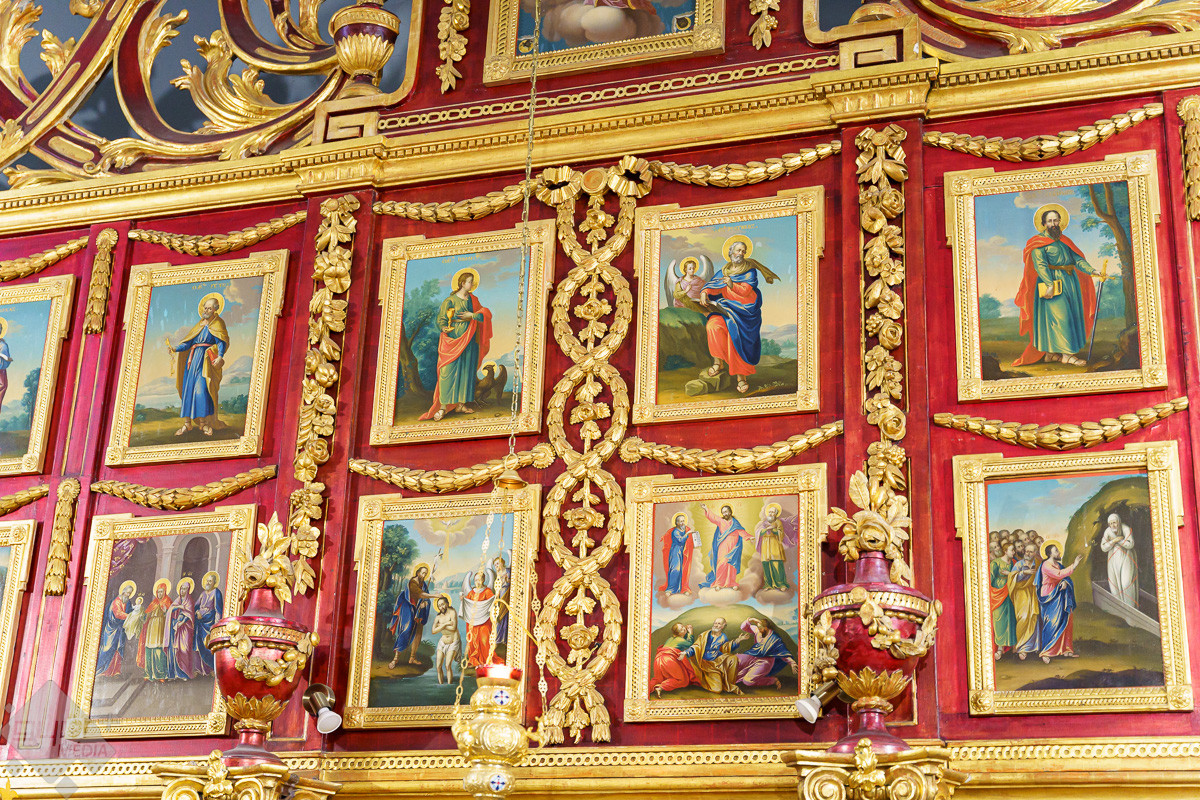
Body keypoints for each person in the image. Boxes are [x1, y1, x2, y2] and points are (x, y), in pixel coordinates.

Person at [1012, 206, 1105, 368]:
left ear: (1060, 222)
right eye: (1050, 221)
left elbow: (1077, 259)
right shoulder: (1038, 243)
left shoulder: (1064, 241)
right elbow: (1040, 266)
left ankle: (1050, 354)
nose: (1053, 224)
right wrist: (1049, 284)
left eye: (1056, 220)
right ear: (1044, 224)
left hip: (1070, 282)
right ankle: (1067, 356)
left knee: (1068, 316)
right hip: (1052, 283)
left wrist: (1092, 270)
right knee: (1061, 318)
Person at [700, 236, 779, 394]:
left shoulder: (749, 271)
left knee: (733, 333)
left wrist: (731, 284)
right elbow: (713, 285)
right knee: (712, 326)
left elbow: (745, 291)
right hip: (726, 309)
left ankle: (741, 377)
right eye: (738, 250)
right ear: (730, 252)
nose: (741, 253)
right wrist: (704, 292)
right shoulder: (724, 270)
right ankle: (718, 363)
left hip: (745, 313)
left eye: (743, 251)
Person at [419, 268, 493, 423]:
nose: (472, 285)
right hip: (452, 339)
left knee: (466, 372)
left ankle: (460, 404)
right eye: (470, 282)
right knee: (448, 372)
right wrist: (444, 327)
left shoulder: (473, 300)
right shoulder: (450, 300)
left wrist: (472, 315)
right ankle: (442, 407)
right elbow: (441, 319)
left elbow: (484, 314)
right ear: (462, 283)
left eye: (472, 282)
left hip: (469, 340)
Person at [168, 293, 229, 436]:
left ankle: (203, 424)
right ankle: (187, 424)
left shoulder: (218, 324)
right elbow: (188, 343)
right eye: (205, 308)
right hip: (192, 362)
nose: (206, 310)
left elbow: (221, 342)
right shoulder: (199, 325)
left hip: (205, 362)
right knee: (188, 390)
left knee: (201, 391)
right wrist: (175, 348)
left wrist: (220, 356)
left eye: (209, 308)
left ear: (215, 310)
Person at [1036, 542, 1084, 663]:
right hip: (1050, 595)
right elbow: (1058, 575)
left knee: (1066, 619)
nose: (1059, 552)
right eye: (1056, 551)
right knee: (1051, 623)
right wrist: (1074, 565)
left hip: (1060, 595)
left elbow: (1064, 577)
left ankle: (1065, 649)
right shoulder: (1046, 565)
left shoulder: (1058, 565)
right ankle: (1046, 652)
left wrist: (1065, 582)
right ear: (1050, 554)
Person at [388, 564, 437, 667]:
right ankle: (395, 658)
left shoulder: (424, 584)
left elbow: (425, 599)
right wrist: (435, 596)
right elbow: (421, 594)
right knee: (405, 630)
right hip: (408, 609)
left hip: (418, 612)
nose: (424, 575)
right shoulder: (412, 583)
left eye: (426, 574)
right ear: (418, 572)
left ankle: (412, 658)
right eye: (422, 573)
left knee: (418, 632)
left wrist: (425, 603)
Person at [684, 618, 749, 694]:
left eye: (719, 624)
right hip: (707, 665)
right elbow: (696, 647)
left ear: (723, 626)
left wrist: (738, 640)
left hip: (718, 662)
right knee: (717, 689)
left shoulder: (723, 637)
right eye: (715, 623)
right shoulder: (705, 635)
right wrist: (685, 652)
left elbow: (725, 648)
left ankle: (729, 685)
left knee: (733, 658)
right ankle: (708, 680)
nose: (716, 625)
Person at [734, 618, 797, 689]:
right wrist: (752, 619)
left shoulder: (774, 638)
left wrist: (792, 663)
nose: (759, 629)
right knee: (735, 660)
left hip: (765, 662)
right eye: (758, 627)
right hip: (752, 657)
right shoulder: (758, 630)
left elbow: (782, 652)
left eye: (760, 628)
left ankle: (773, 680)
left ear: (766, 628)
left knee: (747, 681)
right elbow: (743, 627)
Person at [699, 504, 749, 590]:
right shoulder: (721, 521)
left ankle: (731, 583)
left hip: (733, 547)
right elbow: (713, 517)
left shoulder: (735, 522)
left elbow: (741, 531)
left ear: (730, 512)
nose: (724, 514)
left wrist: (748, 537)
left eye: (726, 512)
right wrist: (706, 508)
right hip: (723, 546)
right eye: (723, 512)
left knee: (731, 564)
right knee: (722, 563)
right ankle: (719, 583)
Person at [96, 581, 137, 677]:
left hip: (119, 630)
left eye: (130, 593)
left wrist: (134, 611)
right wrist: (130, 616)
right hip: (111, 630)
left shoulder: (127, 602)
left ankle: (114, 671)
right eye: (127, 592)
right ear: (123, 591)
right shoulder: (117, 601)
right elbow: (117, 614)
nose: (128, 595)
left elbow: (129, 611)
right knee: (107, 648)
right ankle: (101, 669)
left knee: (118, 649)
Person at [1007, 544, 1041, 660]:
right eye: (1026, 551)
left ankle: (1030, 647)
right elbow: (1011, 578)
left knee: (1033, 617)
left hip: (1032, 593)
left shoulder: (1037, 564)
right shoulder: (1019, 564)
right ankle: (1020, 646)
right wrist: (1024, 573)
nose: (1027, 553)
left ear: (1035, 553)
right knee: (1023, 617)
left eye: (1030, 552)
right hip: (1021, 593)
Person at [137, 580, 173, 681]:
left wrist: (166, 612)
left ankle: (161, 674)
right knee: (149, 649)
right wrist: (143, 617)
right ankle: (148, 673)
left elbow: (172, 615)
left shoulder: (168, 601)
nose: (160, 594)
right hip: (151, 627)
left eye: (161, 591)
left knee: (158, 649)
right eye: (158, 592)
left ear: (165, 592)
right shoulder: (154, 602)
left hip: (161, 626)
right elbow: (147, 614)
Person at [1100, 513, 1138, 607]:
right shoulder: (1108, 531)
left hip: (1126, 559)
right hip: (1113, 560)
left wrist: (1118, 541)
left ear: (1118, 522)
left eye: (1114, 523)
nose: (1112, 525)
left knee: (1126, 583)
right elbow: (1103, 547)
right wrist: (1115, 540)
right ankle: (1120, 609)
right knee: (1115, 584)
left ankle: (1130, 608)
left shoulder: (1126, 529)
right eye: (1110, 523)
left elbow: (1130, 544)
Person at [461, 569, 497, 667]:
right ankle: (474, 659)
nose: (478, 582)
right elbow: (467, 603)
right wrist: (463, 599)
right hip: (473, 621)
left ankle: (486, 660)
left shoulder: (487, 591)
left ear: (483, 580)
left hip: (484, 621)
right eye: (476, 580)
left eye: (479, 580)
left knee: (484, 638)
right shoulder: (472, 592)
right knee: (473, 639)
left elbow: (492, 602)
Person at [651, 623, 697, 696]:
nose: (684, 628)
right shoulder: (680, 640)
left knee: (659, 679)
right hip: (668, 659)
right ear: (679, 633)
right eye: (681, 629)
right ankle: (661, 687)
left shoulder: (670, 639)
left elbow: (683, 640)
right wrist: (690, 632)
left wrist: (686, 633)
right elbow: (689, 643)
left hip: (658, 659)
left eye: (682, 626)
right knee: (682, 680)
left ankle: (648, 689)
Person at [192, 571, 224, 676]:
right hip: (200, 623)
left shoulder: (216, 592)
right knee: (198, 646)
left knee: (208, 646)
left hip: (209, 623)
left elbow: (218, 609)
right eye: (207, 581)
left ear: (214, 583)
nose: (208, 583)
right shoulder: (203, 593)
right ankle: (199, 669)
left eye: (210, 581)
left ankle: (211, 669)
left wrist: (216, 624)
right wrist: (197, 612)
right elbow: (196, 606)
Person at [990, 542, 1017, 660]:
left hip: (1010, 594)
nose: (1013, 552)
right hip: (998, 594)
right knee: (999, 620)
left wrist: (1010, 574)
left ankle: (1012, 646)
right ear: (1005, 551)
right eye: (1011, 550)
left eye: (1014, 550)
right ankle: (1000, 648)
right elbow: (989, 580)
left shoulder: (1014, 563)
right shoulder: (995, 563)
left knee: (1011, 620)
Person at [165, 577, 196, 680]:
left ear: (188, 590)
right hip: (175, 628)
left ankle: (184, 673)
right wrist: (178, 607)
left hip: (185, 629)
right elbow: (171, 610)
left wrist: (181, 622)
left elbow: (190, 615)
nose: (182, 591)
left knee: (184, 649)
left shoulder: (189, 601)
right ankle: (174, 673)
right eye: (181, 588)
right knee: (173, 650)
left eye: (184, 589)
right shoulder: (178, 600)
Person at [660, 513, 699, 595]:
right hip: (675, 551)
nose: (682, 523)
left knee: (683, 570)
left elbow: (689, 540)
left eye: (683, 521)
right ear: (676, 522)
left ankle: (681, 588)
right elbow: (681, 540)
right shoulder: (675, 531)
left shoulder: (686, 529)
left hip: (683, 551)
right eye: (680, 521)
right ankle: (670, 589)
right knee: (675, 569)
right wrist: (687, 534)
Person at [754, 503, 790, 591]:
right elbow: (759, 532)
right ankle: (768, 584)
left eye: (773, 512)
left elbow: (781, 533)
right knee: (766, 564)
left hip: (775, 544)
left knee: (776, 564)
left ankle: (781, 584)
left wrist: (773, 530)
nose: (771, 514)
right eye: (769, 512)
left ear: (776, 514)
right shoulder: (764, 523)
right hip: (765, 544)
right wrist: (765, 530)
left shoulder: (778, 522)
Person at [430, 595, 462, 685]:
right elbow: (433, 631)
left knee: (448, 665)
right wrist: (445, 624)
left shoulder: (452, 612)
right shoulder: (438, 617)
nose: (441, 607)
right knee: (438, 666)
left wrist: (440, 626)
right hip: (443, 642)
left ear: (447, 604)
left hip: (453, 642)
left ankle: (449, 685)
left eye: (443, 604)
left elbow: (453, 628)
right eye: (439, 606)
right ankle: (440, 685)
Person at [491, 556, 510, 645]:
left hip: (507, 594)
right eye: (495, 565)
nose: (497, 566)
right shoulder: (498, 575)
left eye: (498, 563)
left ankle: (505, 639)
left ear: (502, 563)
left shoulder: (508, 571)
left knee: (505, 616)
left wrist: (507, 580)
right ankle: (499, 638)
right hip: (500, 596)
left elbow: (512, 581)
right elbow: (497, 588)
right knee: (499, 616)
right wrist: (496, 598)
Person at [0, 316, 11, 415]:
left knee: (3, 386)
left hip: (1, 371)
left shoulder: (3, 345)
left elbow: (5, 357)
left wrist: (6, 358)